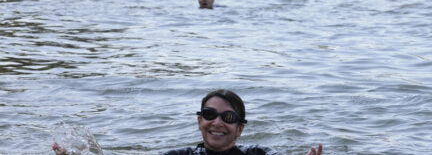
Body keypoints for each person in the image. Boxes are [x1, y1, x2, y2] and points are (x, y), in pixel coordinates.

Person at [53, 89, 323, 155]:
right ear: (199, 121)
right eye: (209, 115)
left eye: (228, 117)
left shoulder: (259, 153)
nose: (217, 122)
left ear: (240, 128)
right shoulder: (180, 154)